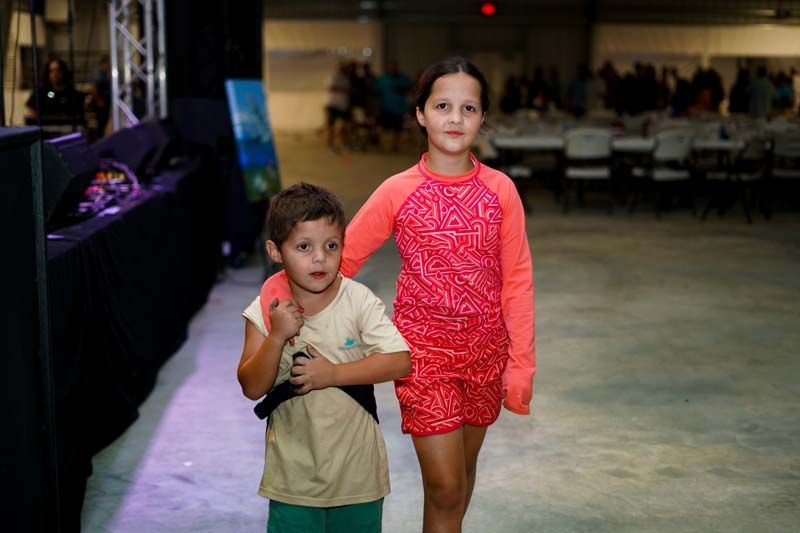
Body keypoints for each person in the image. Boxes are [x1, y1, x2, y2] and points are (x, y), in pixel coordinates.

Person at [261, 56, 536, 533]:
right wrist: (279, 289)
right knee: (446, 484)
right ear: (420, 114)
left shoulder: (501, 191)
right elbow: (340, 258)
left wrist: (521, 364)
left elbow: (517, 281)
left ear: (483, 117)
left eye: (468, 108)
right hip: (424, 357)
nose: (455, 118)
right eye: (443, 106)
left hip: (486, 355)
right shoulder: (397, 190)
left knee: (462, 480)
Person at [237, 183, 411, 532]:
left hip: (358, 478)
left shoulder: (358, 300)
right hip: (293, 481)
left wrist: (332, 374)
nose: (319, 257)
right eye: (304, 247)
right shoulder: (265, 311)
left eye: (331, 246)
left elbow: (400, 360)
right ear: (275, 251)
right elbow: (252, 386)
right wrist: (276, 336)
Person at [25, 58, 84, 126]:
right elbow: (32, 114)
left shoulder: (73, 94)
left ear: (64, 72)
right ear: (48, 73)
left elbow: (79, 116)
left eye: (58, 70)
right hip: (45, 131)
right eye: (51, 70)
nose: (55, 74)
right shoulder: (40, 92)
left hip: (67, 131)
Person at [374, 60, 412, 151]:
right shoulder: (383, 79)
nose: (393, 69)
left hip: (399, 108)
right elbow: (376, 92)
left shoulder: (403, 78)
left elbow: (410, 87)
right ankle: (382, 145)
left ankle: (395, 146)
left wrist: (401, 88)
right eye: (391, 67)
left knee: (397, 128)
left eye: (394, 67)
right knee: (383, 128)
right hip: (386, 107)